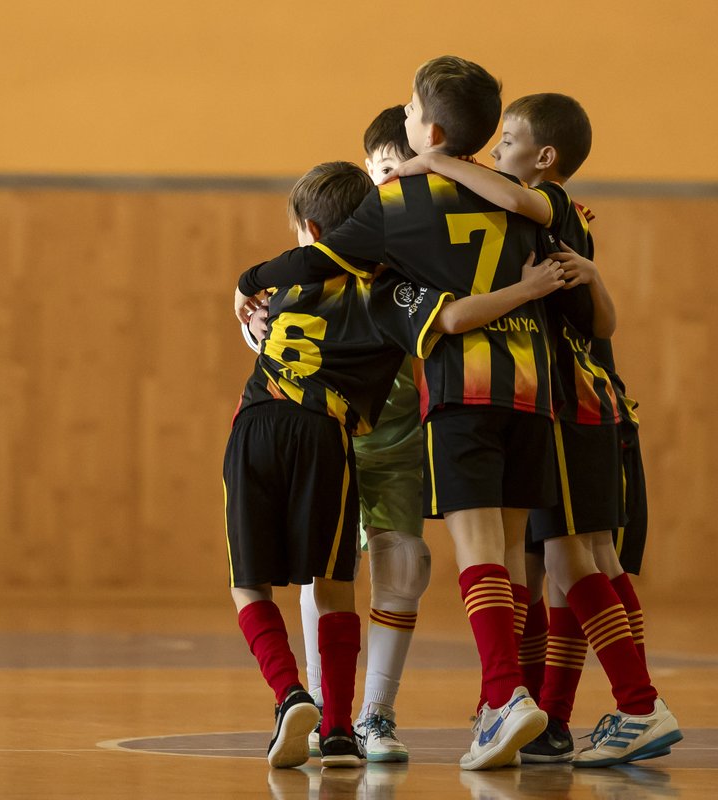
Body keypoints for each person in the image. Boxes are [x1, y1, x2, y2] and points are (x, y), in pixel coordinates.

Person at [235, 55, 582, 771]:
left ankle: (490, 700)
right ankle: (506, 706)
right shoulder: (528, 197)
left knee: (467, 553)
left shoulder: (393, 210)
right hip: (537, 391)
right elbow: (588, 302)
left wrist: (249, 282)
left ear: (427, 129)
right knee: (516, 560)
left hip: (457, 393)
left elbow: (318, 263)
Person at [396, 92, 681, 766]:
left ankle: (632, 702)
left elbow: (594, 314)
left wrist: (436, 160)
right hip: (570, 402)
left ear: (543, 156)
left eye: (507, 142)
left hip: (572, 404)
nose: (494, 153)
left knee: (569, 561)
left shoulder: (545, 206)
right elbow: (603, 320)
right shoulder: (559, 221)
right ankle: (539, 712)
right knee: (547, 564)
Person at [226, 160, 447, 770]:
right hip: (327, 436)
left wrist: (246, 299)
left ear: (311, 229)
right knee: (335, 584)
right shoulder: (389, 293)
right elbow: (444, 321)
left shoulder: (284, 288)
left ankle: (290, 693)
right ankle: (343, 728)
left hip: (258, 425)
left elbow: (261, 306)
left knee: (250, 583)